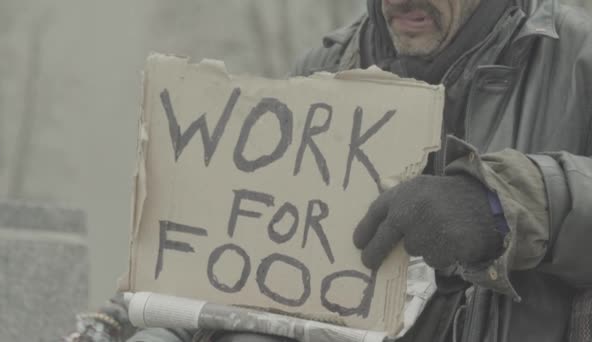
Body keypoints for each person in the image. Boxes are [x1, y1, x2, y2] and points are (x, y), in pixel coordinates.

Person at [67, 0, 592, 341]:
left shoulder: (579, 56)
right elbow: (242, 251)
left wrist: (504, 204)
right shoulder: (325, 69)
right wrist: (136, 318)